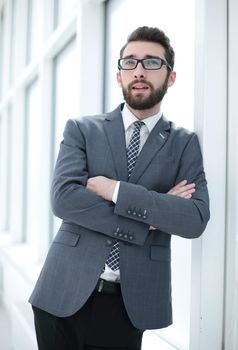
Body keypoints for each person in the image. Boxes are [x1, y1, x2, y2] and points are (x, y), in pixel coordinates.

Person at [29, 26, 210, 350]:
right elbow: (64, 200)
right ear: (119, 75)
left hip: (130, 305)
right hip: (60, 293)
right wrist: (152, 215)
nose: (139, 70)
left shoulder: (184, 144)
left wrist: (116, 191)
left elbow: (194, 219)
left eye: (152, 62)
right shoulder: (83, 129)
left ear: (171, 77)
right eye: (130, 62)